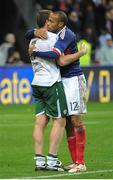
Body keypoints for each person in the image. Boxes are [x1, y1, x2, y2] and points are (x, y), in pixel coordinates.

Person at [26, 11, 87, 173]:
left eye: (52, 21)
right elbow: (29, 34)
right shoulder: (51, 35)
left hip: (73, 79)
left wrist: (35, 50)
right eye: (48, 21)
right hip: (57, 81)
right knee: (65, 122)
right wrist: (33, 31)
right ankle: (72, 161)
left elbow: (59, 58)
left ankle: (80, 162)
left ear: (59, 24)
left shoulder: (65, 35)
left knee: (75, 120)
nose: (49, 24)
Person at [27, 10, 68, 172]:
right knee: (60, 120)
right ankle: (52, 160)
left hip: (37, 83)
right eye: (50, 20)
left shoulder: (31, 40)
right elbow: (62, 60)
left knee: (40, 122)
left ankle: (39, 160)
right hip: (51, 83)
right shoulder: (53, 38)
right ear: (46, 22)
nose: (52, 22)